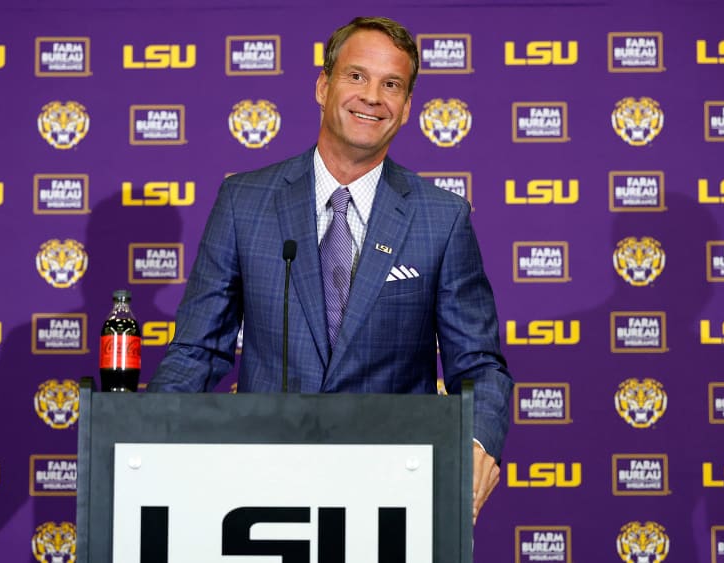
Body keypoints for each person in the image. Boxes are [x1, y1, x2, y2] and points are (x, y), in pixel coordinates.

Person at [148, 16, 512, 522]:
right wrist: (142, 444)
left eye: (392, 85)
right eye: (356, 76)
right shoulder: (244, 201)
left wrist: (475, 442)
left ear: (406, 108)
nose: (372, 97)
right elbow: (197, 348)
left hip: (392, 493)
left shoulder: (441, 216)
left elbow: (479, 365)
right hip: (260, 486)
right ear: (323, 86)